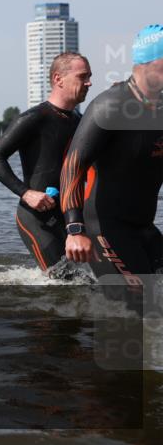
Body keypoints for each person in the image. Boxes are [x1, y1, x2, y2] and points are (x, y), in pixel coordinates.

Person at [60, 25, 163, 288]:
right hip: (106, 228)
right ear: (148, 63)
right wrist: (75, 229)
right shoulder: (111, 105)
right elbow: (72, 167)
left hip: (144, 225)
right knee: (140, 308)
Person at [0, 53, 91, 276]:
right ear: (58, 79)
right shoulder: (35, 118)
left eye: (89, 77)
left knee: (84, 280)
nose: (89, 83)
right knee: (63, 283)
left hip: (67, 216)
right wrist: (26, 193)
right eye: (83, 77)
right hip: (36, 217)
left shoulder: (79, 122)